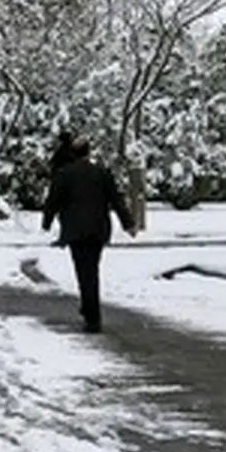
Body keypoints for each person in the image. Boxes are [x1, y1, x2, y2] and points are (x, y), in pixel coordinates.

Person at [41, 138, 137, 333]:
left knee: (83, 271)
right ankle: (90, 310)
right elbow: (116, 199)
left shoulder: (63, 175)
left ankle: (91, 314)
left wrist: (47, 222)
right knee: (91, 270)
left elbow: (53, 201)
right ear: (88, 152)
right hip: (98, 230)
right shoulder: (102, 173)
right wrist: (128, 224)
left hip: (75, 231)